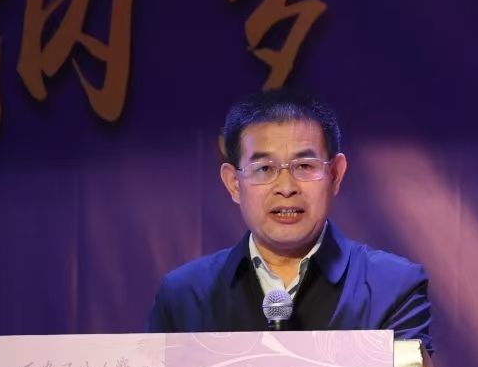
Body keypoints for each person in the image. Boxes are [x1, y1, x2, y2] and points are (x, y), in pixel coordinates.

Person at [146, 90, 433, 350]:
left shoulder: (393, 288)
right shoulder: (184, 296)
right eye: (264, 169)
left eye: (304, 166)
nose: (286, 187)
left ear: (335, 175)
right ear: (234, 183)